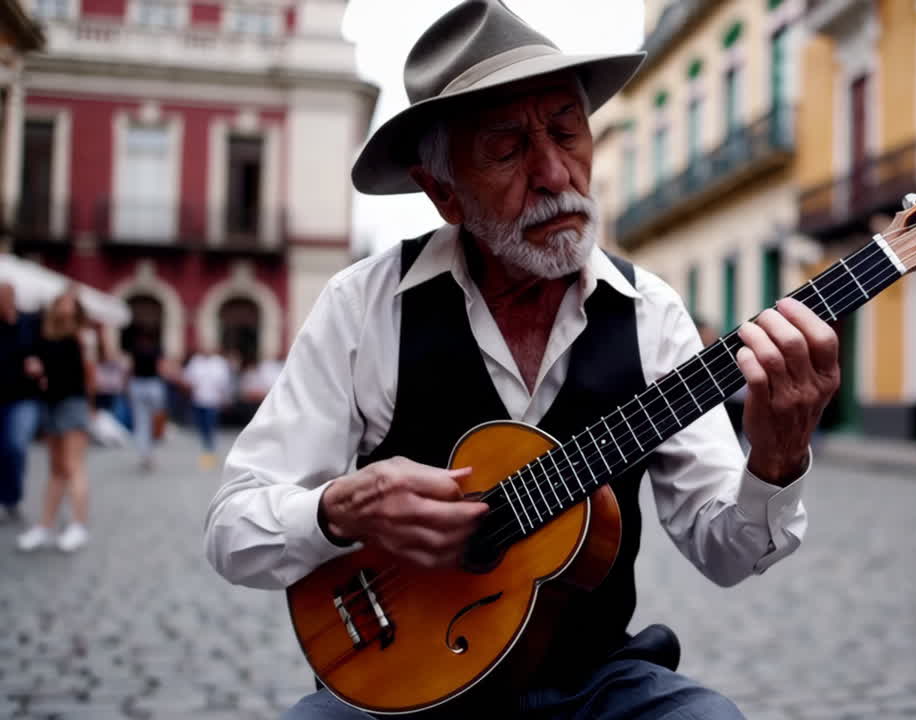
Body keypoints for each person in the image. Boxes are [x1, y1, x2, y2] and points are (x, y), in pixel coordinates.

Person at [204, 3, 840, 717]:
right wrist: (338, 510)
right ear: (444, 193)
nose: (553, 172)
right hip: (405, 689)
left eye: (568, 131)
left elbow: (727, 552)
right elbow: (233, 529)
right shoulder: (366, 304)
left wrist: (777, 460)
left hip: (591, 679)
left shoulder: (650, 313)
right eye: (507, 150)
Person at [16, 287, 95, 552]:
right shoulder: (45, 333)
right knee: (56, 468)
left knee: (73, 466)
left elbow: (88, 373)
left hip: (73, 402)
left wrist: (92, 407)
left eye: (72, 302)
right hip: (51, 403)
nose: (66, 305)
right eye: (63, 300)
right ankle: (45, 526)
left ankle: (78, 524)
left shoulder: (82, 336)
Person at [0, 282, 44, 522]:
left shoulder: (28, 323)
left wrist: (39, 364)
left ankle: (12, 498)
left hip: (24, 397)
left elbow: (44, 350)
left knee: (15, 445)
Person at [183, 344, 234, 470]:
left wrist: (225, 397)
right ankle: (207, 449)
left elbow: (224, 382)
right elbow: (188, 379)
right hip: (198, 399)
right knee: (202, 427)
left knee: (210, 426)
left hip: (212, 401)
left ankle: (209, 451)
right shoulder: (196, 361)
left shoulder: (219, 363)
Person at [123, 324, 166, 472]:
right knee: (155, 420)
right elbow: (161, 368)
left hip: (138, 385)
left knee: (141, 421)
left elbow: (129, 369)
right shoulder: (156, 349)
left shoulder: (135, 349)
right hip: (153, 385)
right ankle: (151, 451)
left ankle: (144, 453)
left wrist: (126, 386)